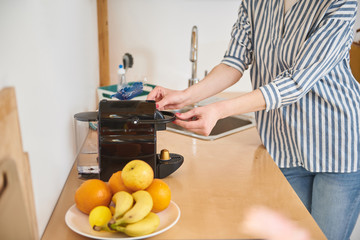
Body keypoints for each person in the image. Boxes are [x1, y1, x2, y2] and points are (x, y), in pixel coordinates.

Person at [147, 0, 360, 239]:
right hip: (284, 145)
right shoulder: (255, 2)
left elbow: (297, 81)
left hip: (338, 145)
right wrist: (184, 96)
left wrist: (219, 110)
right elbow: (234, 62)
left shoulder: (340, 4)